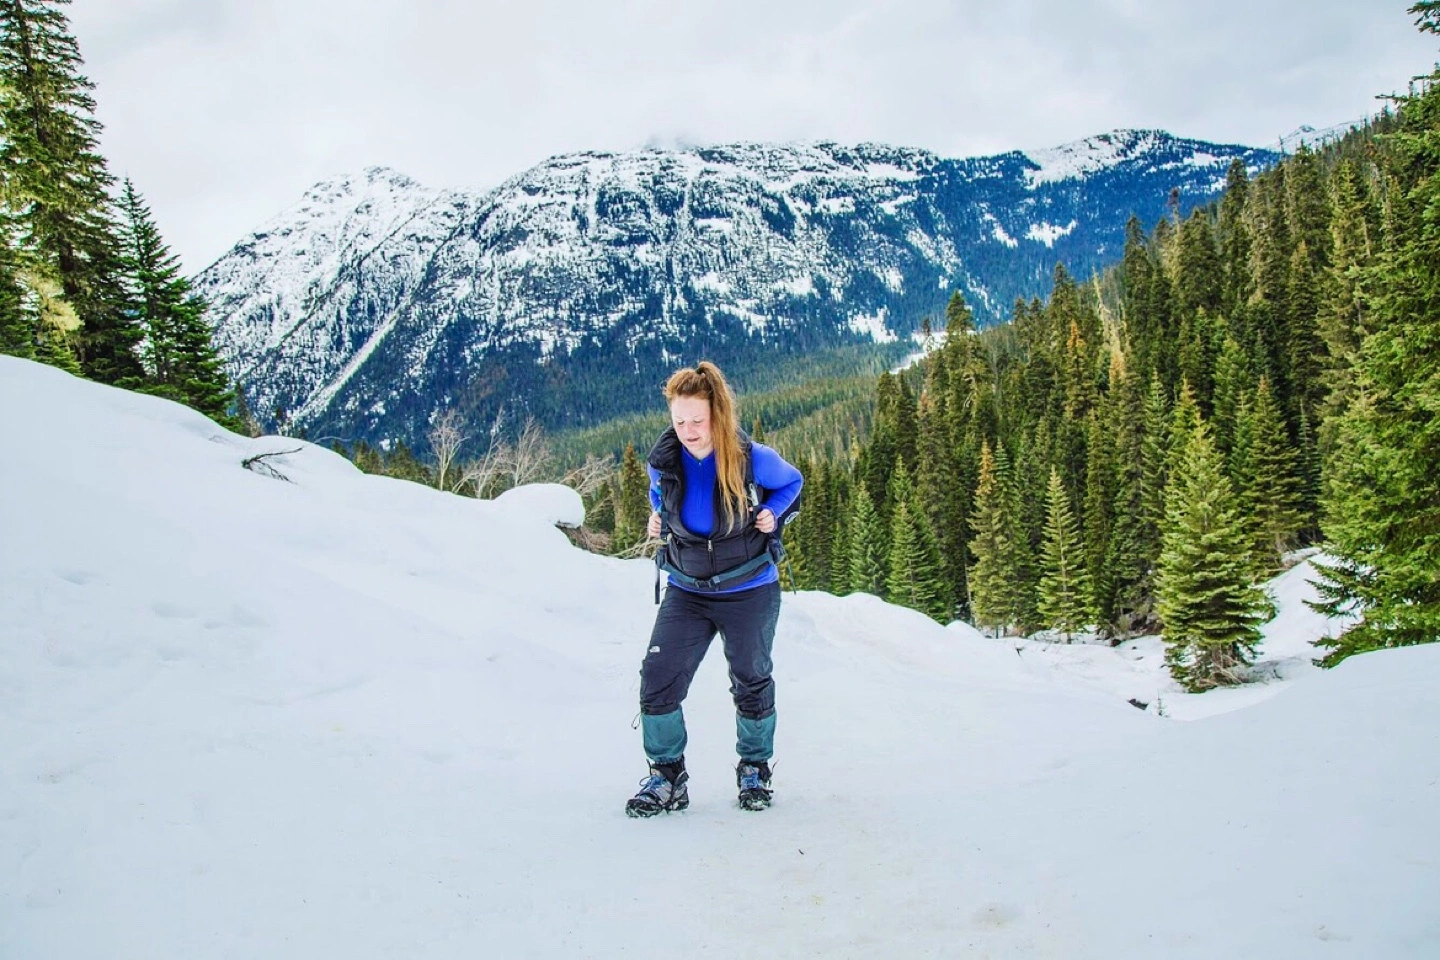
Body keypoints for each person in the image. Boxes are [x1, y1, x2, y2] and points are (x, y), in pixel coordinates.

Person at [625, 361, 803, 818]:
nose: (687, 431)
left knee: (750, 679)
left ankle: (754, 769)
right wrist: (658, 518)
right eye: (679, 421)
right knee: (658, 679)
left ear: (717, 415)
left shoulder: (751, 458)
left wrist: (774, 513)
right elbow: (658, 496)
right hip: (687, 590)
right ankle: (667, 777)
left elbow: (792, 483)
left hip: (749, 587)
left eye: (697, 421)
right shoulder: (664, 461)